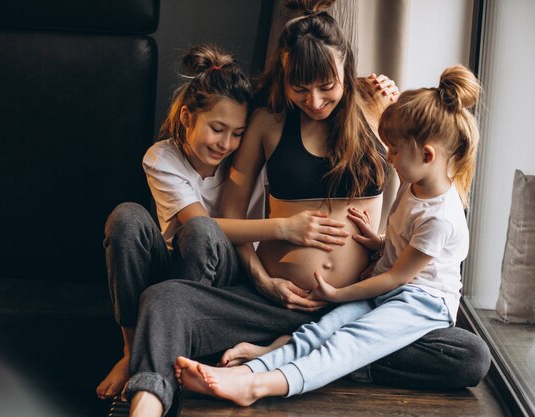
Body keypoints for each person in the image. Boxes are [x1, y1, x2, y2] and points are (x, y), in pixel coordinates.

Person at [123, 2, 490, 416]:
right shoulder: (269, 121)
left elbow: (423, 180)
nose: (314, 101)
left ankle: (309, 356)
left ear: (346, 68)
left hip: (362, 306)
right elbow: (229, 218)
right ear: (285, 76)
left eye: (326, 85)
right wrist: (263, 280)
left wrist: (383, 246)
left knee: (469, 355)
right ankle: (147, 406)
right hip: (277, 304)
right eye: (300, 87)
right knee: (164, 300)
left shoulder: (379, 108)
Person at [174, 64, 484, 406]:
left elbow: (400, 276)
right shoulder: (415, 185)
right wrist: (378, 242)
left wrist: (339, 294)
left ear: (427, 155)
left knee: (349, 341)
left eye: (393, 151)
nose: (388, 158)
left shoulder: (442, 217)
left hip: (419, 301)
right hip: (377, 291)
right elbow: (405, 252)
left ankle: (259, 385)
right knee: (324, 330)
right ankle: (250, 369)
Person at [97, 43, 365, 400]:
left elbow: (315, 101)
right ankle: (132, 353)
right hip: (178, 263)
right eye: (217, 128)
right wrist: (285, 227)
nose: (226, 143)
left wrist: (369, 86)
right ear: (187, 117)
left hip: (228, 272)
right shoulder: (162, 158)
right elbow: (201, 222)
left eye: (237, 132)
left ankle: (181, 349)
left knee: (203, 233)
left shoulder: (249, 152)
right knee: (130, 218)